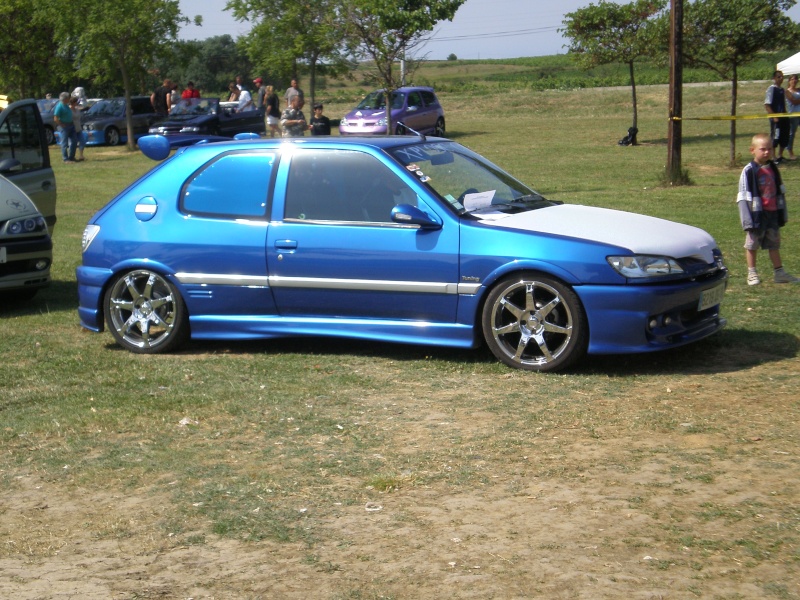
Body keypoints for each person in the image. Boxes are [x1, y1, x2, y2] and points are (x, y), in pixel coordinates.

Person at [737, 133, 799, 285]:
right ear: (752, 150)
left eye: (769, 149)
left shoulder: (773, 168)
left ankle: (779, 273)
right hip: (756, 214)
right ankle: (752, 273)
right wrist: (747, 219)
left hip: (772, 213)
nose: (766, 152)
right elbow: (743, 196)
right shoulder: (749, 170)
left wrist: (781, 212)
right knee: (752, 244)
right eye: (762, 149)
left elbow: (779, 191)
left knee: (774, 243)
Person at [765, 70, 790, 163]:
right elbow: (767, 105)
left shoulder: (782, 90)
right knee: (775, 136)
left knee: (784, 136)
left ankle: (780, 155)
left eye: (782, 76)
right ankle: (773, 157)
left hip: (784, 117)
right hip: (776, 118)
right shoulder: (771, 89)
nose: (781, 78)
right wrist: (774, 116)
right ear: (774, 78)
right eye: (779, 77)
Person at [52, 92, 77, 163]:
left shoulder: (66, 105)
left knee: (74, 141)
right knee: (64, 143)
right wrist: (61, 124)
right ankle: (65, 159)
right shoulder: (59, 106)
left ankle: (71, 157)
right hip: (64, 126)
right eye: (69, 98)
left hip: (71, 125)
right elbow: (55, 118)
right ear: (65, 99)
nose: (70, 99)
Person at [786, 74, 800, 160]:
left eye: (795, 79)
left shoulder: (799, 90)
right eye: (792, 79)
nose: (794, 81)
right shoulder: (787, 91)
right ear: (789, 81)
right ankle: (790, 151)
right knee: (792, 133)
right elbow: (793, 101)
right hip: (793, 114)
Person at [69, 95, 86, 162]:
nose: (78, 103)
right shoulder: (69, 110)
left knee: (82, 141)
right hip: (72, 129)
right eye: (77, 102)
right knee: (73, 143)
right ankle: (71, 156)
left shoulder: (77, 109)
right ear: (73, 102)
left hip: (78, 128)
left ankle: (81, 155)